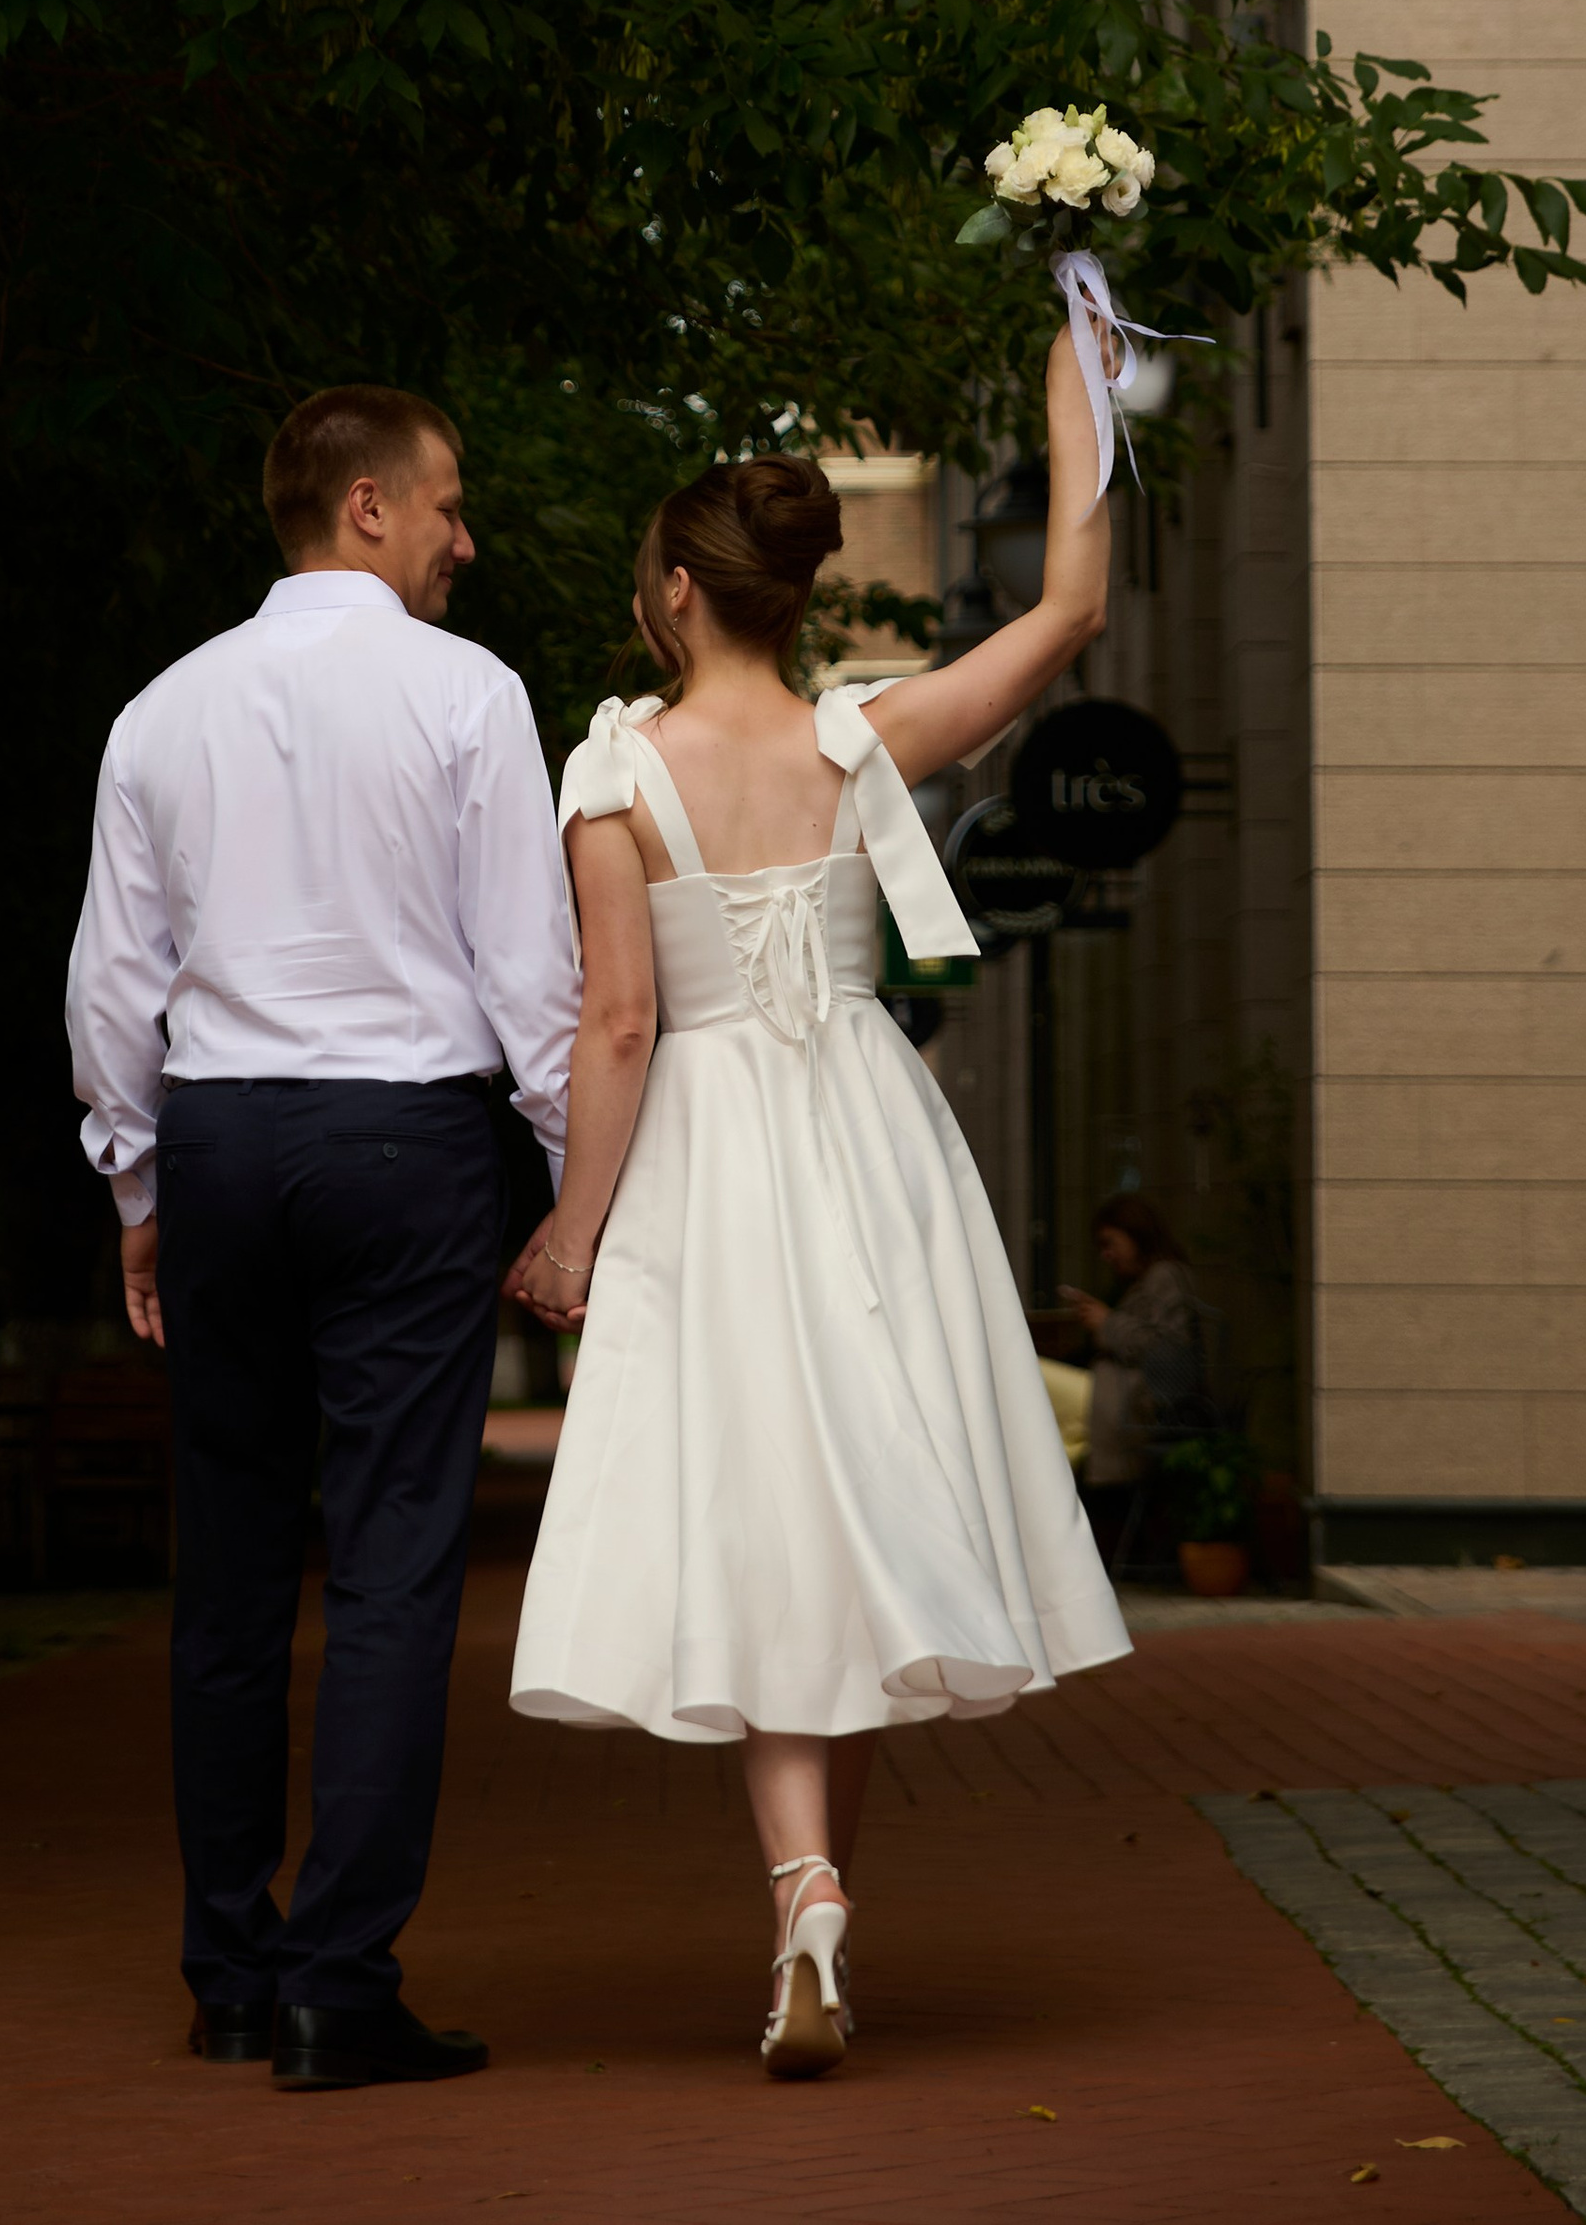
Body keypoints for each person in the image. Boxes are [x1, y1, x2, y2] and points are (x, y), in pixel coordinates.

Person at [506, 324, 1131, 2079]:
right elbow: (1071, 610)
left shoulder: (615, 775)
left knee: (768, 1523)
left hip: (712, 1158)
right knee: (849, 1521)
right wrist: (1077, 398)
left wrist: (571, 1228)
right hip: (872, 1140)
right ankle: (820, 1912)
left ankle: (804, 1890)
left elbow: (620, 1022)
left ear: (677, 595)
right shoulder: (864, 736)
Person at [65, 385, 581, 2094]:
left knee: (225, 1569)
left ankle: (229, 1972)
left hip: (219, 1137)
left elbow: (112, 981)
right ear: (367, 504)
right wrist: (580, 1189)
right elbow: (530, 977)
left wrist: (138, 1189)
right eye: (447, 504)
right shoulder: (468, 692)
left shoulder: (161, 709)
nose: (463, 540)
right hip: (404, 1141)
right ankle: (336, 1986)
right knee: (390, 1565)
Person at [1056, 1195, 1204, 1570]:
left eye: (1110, 1243)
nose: (1106, 1255)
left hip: (1138, 1402)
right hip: (1122, 1396)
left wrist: (1107, 1323)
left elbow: (1169, 1349)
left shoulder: (1165, 1277)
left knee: (1034, 1383)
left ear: (1136, 1235)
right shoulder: (1145, 1280)